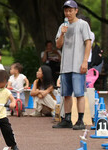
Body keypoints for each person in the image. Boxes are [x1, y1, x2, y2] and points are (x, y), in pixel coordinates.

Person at [52, 0, 91, 130]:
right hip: (65, 66)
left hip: (78, 65)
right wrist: (62, 33)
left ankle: (80, 120)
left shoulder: (83, 24)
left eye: (70, 10)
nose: (68, 13)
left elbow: (88, 43)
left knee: (79, 93)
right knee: (66, 94)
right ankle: (67, 119)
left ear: (76, 10)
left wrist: (85, 61)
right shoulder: (62, 26)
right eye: (66, 10)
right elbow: (58, 45)